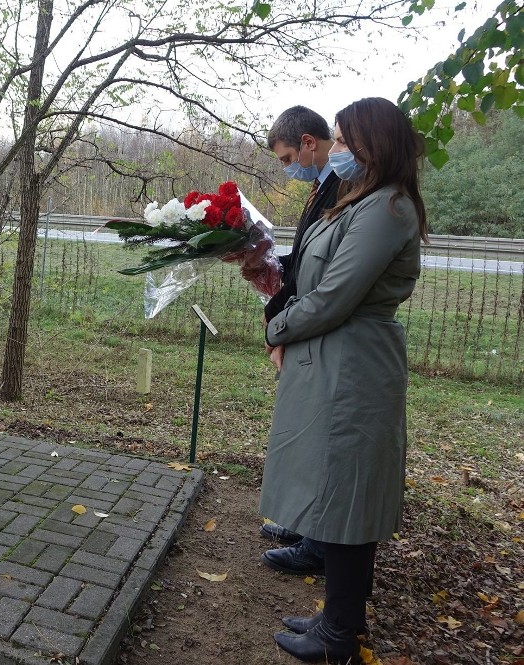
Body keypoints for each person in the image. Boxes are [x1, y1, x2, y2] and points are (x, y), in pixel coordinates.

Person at [260, 97, 427, 663]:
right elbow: (316, 273)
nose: (337, 150)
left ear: (374, 143)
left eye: (344, 140)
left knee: (349, 498)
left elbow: (335, 296)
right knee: (335, 492)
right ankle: (336, 617)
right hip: (334, 362)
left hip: (354, 369)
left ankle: (338, 637)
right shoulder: (364, 201)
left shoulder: (388, 209)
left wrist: (276, 327)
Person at [258, 106, 342, 576]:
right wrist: (266, 263)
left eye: (288, 157)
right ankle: (304, 520)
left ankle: (318, 539)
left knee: (320, 434)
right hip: (304, 320)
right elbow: (310, 253)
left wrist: (280, 322)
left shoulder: (345, 184)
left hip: (320, 327)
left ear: (309, 142)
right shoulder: (322, 184)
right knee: (302, 430)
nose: (287, 168)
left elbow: (328, 270)